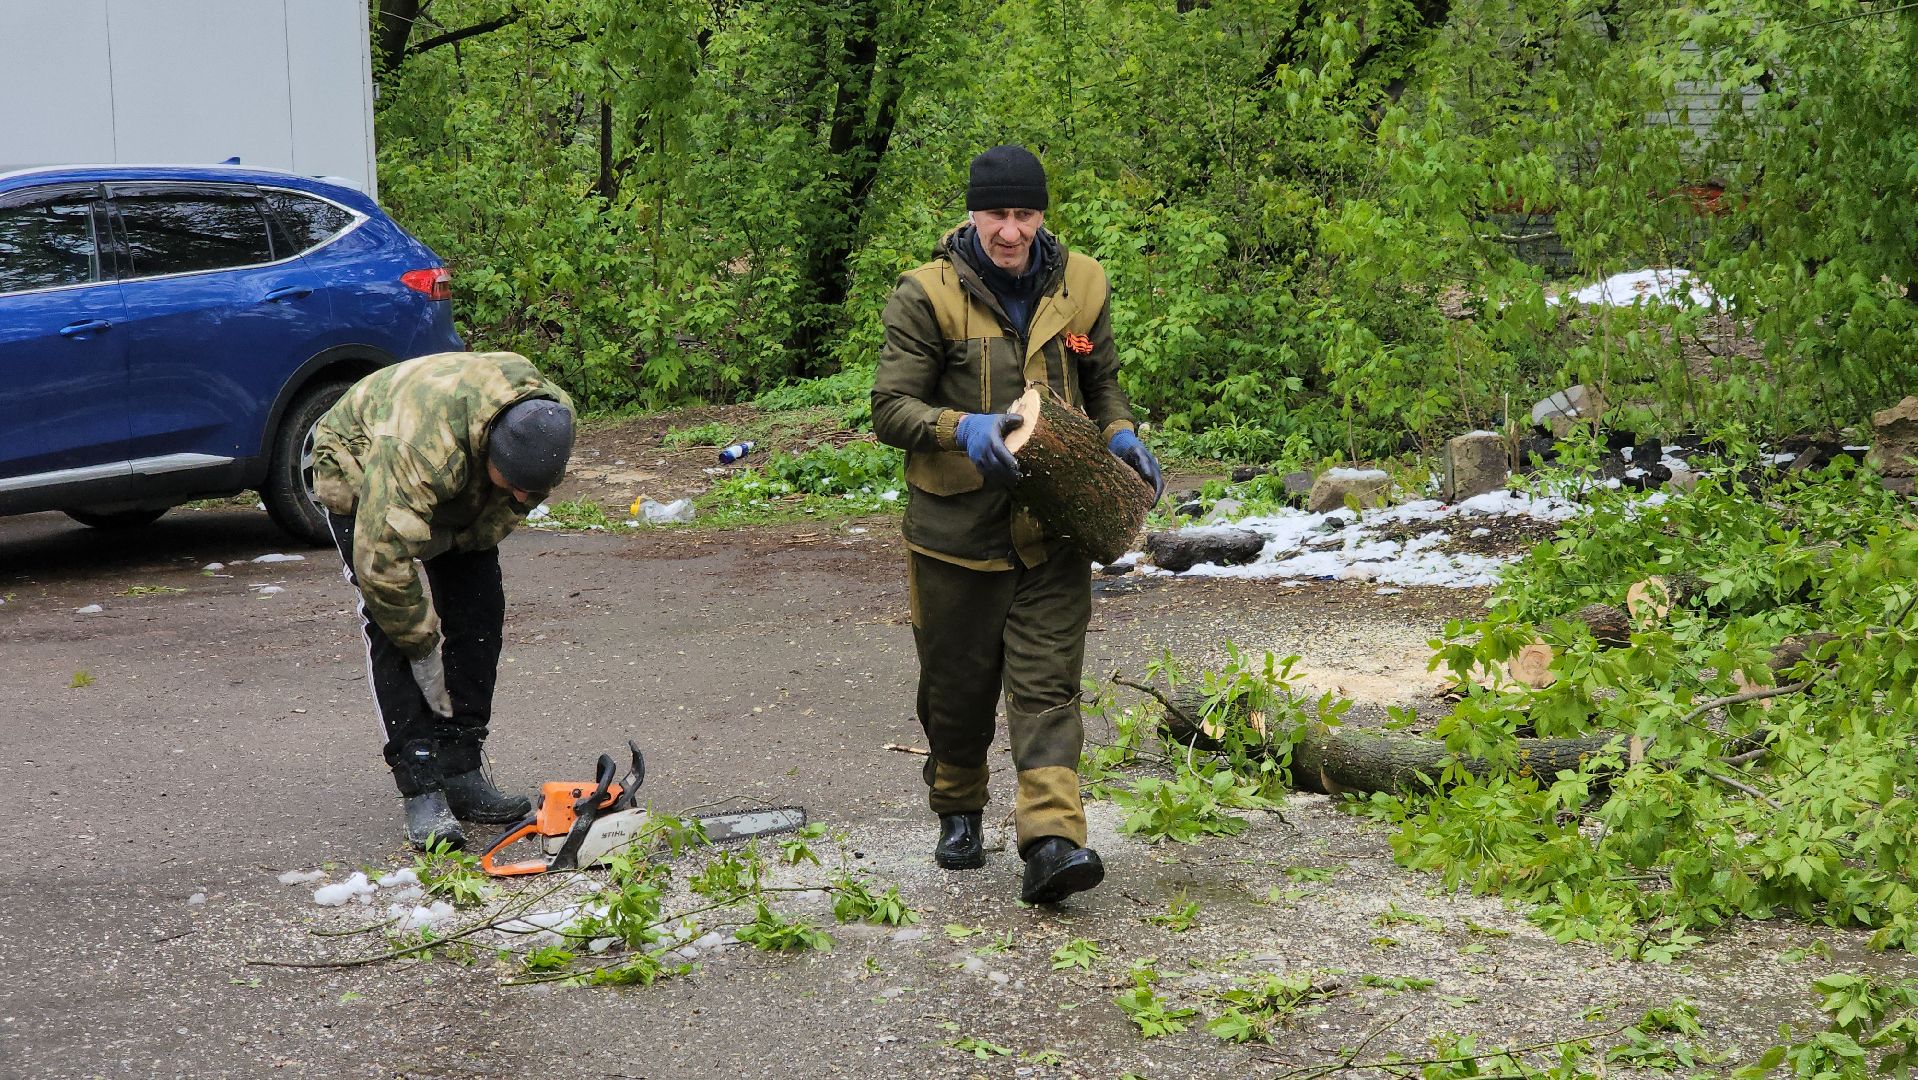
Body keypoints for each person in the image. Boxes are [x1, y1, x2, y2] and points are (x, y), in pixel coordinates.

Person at [872, 145, 1164, 904]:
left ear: (1041, 214)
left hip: (1053, 527)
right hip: (953, 536)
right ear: (973, 214)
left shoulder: (1082, 285)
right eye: (998, 214)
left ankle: (1052, 843)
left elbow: (1102, 383)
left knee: (1047, 689)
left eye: (1025, 213)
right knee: (956, 689)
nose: (1011, 231)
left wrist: (1121, 434)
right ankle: (959, 807)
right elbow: (890, 408)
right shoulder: (925, 296)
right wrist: (960, 427)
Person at [311, 351, 575, 851]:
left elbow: (503, 508)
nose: (523, 499)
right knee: (395, 623)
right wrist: (422, 642)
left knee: (478, 607)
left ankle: (461, 767)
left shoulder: (548, 420)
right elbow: (383, 567)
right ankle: (422, 783)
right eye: (515, 487)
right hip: (361, 458)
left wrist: (463, 545)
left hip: (453, 465)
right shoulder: (416, 453)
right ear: (491, 457)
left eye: (532, 491)